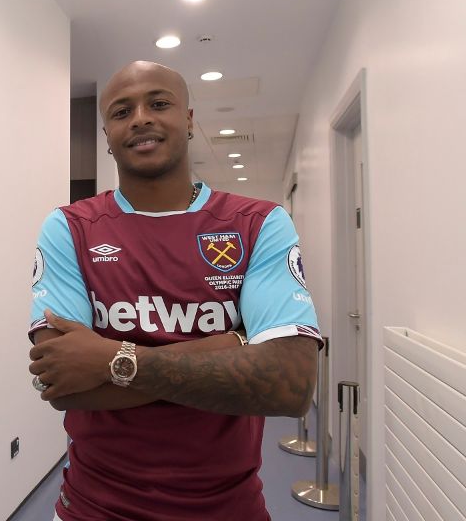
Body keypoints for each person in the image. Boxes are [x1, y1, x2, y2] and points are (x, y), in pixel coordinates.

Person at [28, 61, 321, 521]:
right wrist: (232, 344)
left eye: (159, 103)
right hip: (94, 506)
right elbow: (64, 384)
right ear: (107, 135)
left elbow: (288, 384)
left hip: (227, 507)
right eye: (122, 111)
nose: (141, 118)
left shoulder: (258, 223)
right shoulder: (70, 227)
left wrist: (110, 359)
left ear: (188, 120)